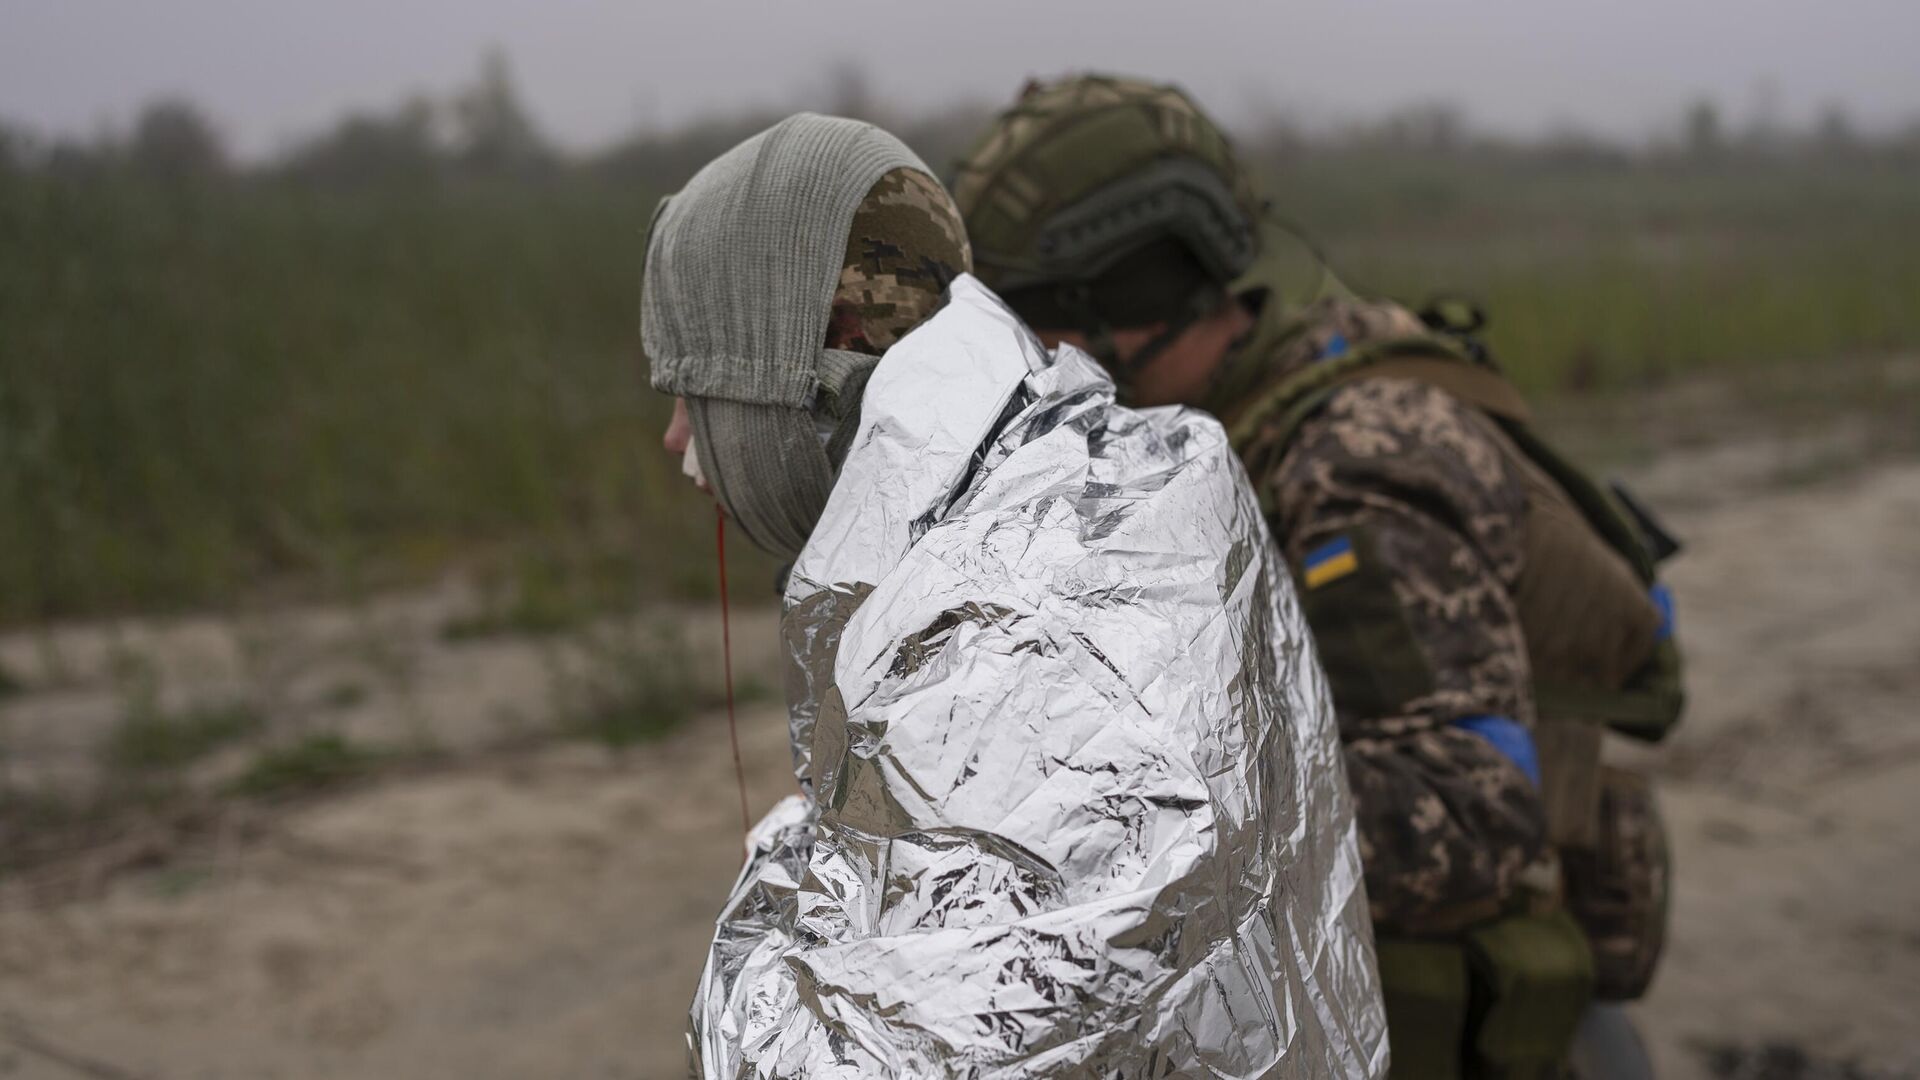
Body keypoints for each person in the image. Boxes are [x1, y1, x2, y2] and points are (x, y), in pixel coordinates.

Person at [953, 75, 1685, 1080]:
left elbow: (1469, 810)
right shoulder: (1210, 434)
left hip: (1443, 1026)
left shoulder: (1355, 466)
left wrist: (1132, 841)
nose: (1023, 366)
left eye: (1034, 329)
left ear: (1113, 309)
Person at [643, 113, 1387, 1077]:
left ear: (834, 341)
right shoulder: (1101, 482)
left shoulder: (1006, 611)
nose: (675, 438)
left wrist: (770, 889)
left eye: (692, 386)